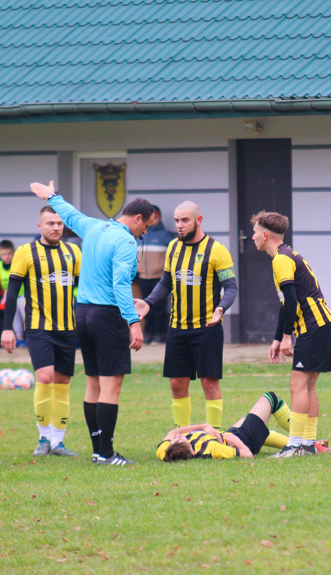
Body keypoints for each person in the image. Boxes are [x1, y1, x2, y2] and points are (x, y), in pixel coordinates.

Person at [30, 179, 153, 466]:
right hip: (106, 317)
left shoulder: (94, 226)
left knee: (93, 384)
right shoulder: (125, 241)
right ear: (136, 218)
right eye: (145, 226)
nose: (144, 232)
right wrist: (133, 323)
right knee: (112, 385)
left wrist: (51, 196)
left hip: (82, 314)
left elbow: (69, 213)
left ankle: (98, 451)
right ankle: (107, 454)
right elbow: (121, 285)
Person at [136, 201, 237, 430]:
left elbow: (231, 287)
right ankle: (182, 435)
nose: (180, 225)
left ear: (198, 220)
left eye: (185, 220)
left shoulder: (216, 250)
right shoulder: (173, 247)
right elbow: (166, 282)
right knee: (176, 383)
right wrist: (149, 303)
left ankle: (213, 436)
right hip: (178, 328)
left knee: (209, 383)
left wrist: (221, 308)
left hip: (207, 328)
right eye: (177, 221)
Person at [251, 211, 331, 457]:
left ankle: (295, 445)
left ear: (265, 234)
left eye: (255, 232)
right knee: (307, 386)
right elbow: (285, 303)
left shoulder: (281, 259)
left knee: (298, 384)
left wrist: (288, 336)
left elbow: (290, 300)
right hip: (321, 325)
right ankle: (307, 445)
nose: (252, 236)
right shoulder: (286, 255)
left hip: (314, 326)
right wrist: (279, 338)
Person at [1, 208, 82, 457]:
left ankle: (58, 442)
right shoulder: (26, 252)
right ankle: (43, 438)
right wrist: (7, 328)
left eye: (59, 223)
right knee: (45, 378)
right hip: (38, 327)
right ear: (39, 226)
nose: (55, 227)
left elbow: (85, 289)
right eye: (50, 223)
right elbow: (12, 292)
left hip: (67, 328)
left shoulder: (74, 252)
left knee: (63, 383)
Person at [158, 391, 293, 461]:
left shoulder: (165, 452)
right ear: (192, 452)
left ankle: (295, 443)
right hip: (244, 440)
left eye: (175, 439)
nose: (178, 435)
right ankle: (301, 440)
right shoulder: (212, 449)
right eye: (181, 439)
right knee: (271, 399)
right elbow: (247, 455)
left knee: (245, 420)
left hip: (231, 433)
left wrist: (203, 426)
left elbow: (172, 432)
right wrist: (236, 442)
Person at [136, 205, 175, 344]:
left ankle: (160, 334)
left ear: (159, 217)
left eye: (155, 216)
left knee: (159, 308)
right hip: (143, 277)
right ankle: (149, 333)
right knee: (145, 307)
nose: (153, 219)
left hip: (160, 277)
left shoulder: (166, 236)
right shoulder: (140, 235)